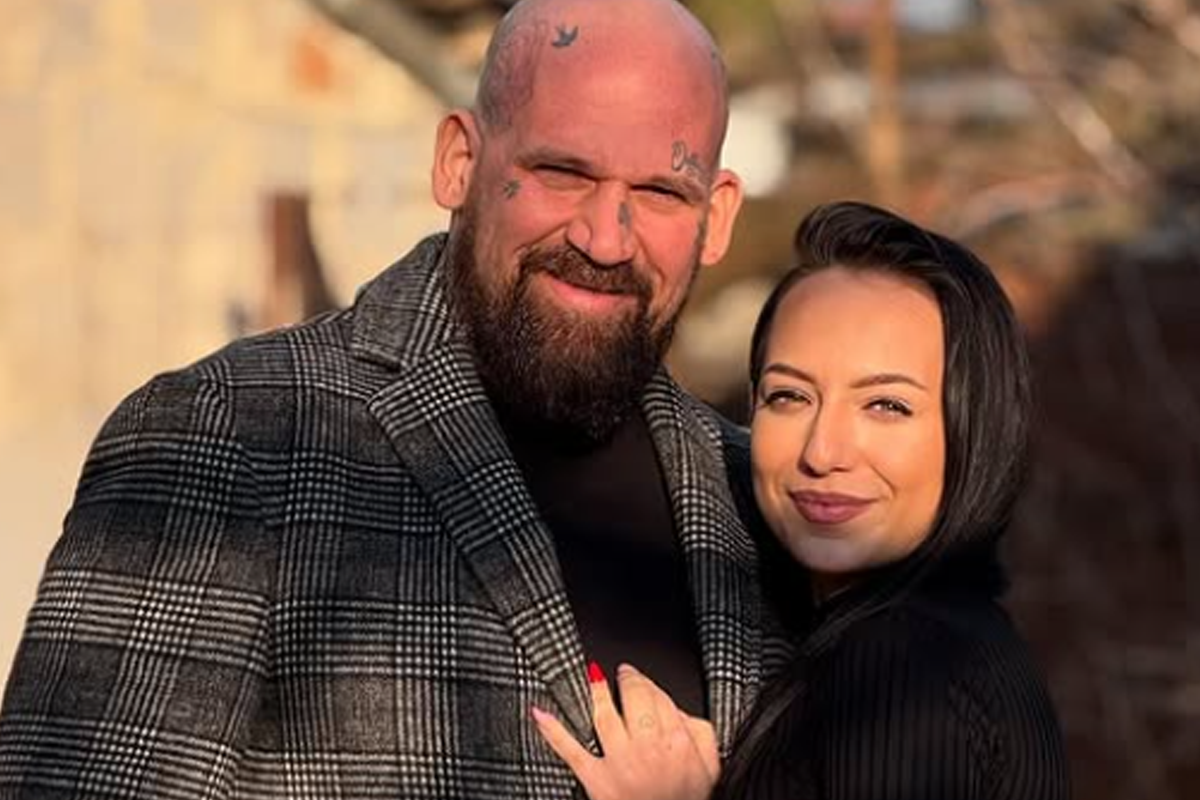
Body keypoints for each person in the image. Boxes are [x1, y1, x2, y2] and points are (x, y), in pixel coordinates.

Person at [0, 1, 788, 798]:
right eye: (563, 173)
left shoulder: (766, 498)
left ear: (716, 214)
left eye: (659, 192)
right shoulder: (223, 438)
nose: (606, 239)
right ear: (458, 162)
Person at [536, 201, 1071, 799]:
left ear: (976, 429)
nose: (822, 451)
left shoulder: (903, 661)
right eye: (789, 397)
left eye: (886, 405)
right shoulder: (953, 642)